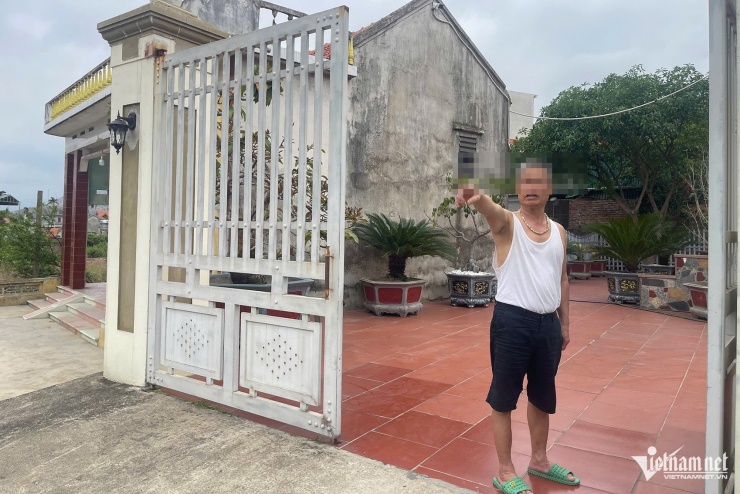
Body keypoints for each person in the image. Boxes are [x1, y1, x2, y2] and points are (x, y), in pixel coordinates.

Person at [456, 162, 579, 494]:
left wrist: (565, 323)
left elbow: (563, 279)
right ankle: (505, 470)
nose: (530, 187)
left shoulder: (559, 232)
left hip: (548, 325)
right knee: (504, 398)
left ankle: (539, 460)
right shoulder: (507, 223)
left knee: (542, 396)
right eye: (525, 181)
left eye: (538, 182)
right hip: (512, 323)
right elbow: (489, 208)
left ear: (550, 189)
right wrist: (475, 194)